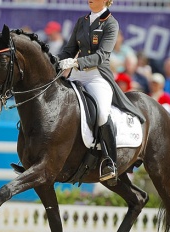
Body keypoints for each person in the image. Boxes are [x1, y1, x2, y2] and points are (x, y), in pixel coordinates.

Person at [56, 0, 145, 186]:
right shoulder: (82, 21)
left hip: (97, 76)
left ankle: (110, 162)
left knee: (103, 114)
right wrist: (57, 61)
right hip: (76, 75)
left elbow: (102, 55)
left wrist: (76, 62)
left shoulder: (111, 23)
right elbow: (69, 50)